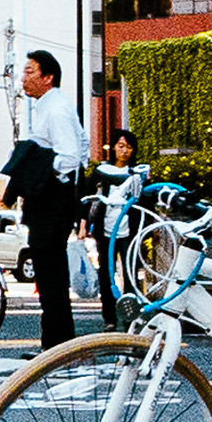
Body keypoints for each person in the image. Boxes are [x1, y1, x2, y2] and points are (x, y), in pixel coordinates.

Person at [0, 49, 86, 350]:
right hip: (51, 198)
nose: (24, 77)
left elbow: (71, 156)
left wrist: (41, 171)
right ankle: (55, 345)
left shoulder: (56, 109)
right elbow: (82, 145)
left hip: (52, 199)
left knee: (51, 274)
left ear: (48, 78)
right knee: (49, 274)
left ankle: (58, 346)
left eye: (30, 71)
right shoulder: (49, 106)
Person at [87, 128, 138, 329]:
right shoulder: (102, 172)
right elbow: (87, 198)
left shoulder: (137, 173)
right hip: (105, 231)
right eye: (121, 146)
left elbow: (146, 202)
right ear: (114, 148)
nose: (125, 151)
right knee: (106, 274)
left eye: (129, 147)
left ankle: (130, 317)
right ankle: (110, 318)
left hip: (129, 232)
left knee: (130, 275)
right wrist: (83, 224)